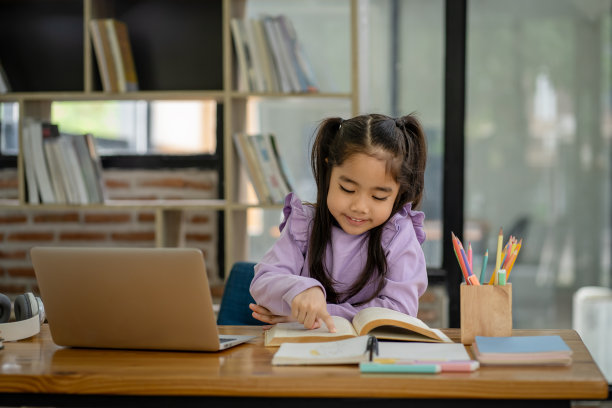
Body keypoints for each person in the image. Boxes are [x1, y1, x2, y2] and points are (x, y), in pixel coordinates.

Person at [249, 113, 428, 332]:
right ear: (328, 171)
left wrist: (315, 311)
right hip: (303, 356)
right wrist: (302, 290)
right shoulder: (304, 224)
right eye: (348, 189)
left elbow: (400, 312)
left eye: (379, 197)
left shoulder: (399, 234)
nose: (359, 206)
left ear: (400, 192)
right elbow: (264, 280)